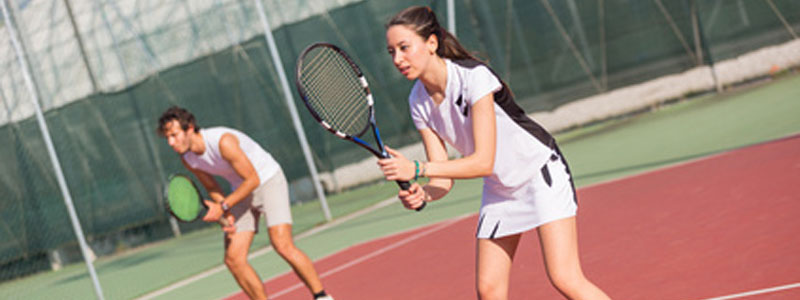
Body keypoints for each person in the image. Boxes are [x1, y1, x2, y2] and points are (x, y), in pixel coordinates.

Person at [378, 6, 611, 300]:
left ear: (432, 44)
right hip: (501, 189)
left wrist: (416, 169)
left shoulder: (474, 78)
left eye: (404, 48)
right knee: (489, 290)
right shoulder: (417, 101)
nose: (398, 59)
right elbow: (442, 174)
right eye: (391, 52)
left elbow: (482, 161)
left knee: (564, 277)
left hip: (539, 172)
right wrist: (424, 193)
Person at [157, 106, 333, 300]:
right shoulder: (188, 159)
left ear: (189, 128)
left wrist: (223, 206)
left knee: (282, 244)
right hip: (240, 192)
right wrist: (226, 212)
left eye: (174, 135)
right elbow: (212, 186)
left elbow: (253, 179)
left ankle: (322, 296)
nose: (171, 142)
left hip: (267, 180)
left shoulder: (223, 142)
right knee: (234, 260)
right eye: (167, 138)